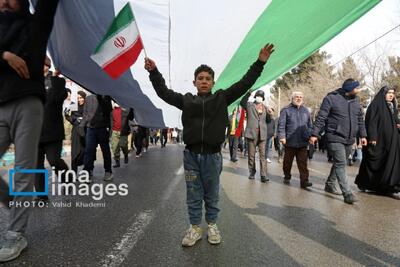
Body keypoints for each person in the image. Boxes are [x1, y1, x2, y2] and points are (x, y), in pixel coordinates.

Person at [144, 43, 274, 247]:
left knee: (211, 194)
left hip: (212, 157)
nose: (204, 82)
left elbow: (244, 82)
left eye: (208, 79)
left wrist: (260, 63)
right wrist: (154, 72)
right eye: (200, 79)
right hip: (191, 157)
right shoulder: (186, 100)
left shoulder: (222, 98)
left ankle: (212, 226)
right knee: (194, 194)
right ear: (194, 82)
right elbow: (163, 93)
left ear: (213, 82)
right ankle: (195, 228)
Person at [0, 0, 59, 262]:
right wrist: (4, 55)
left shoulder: (37, 25)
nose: (4, 2)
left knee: (24, 171)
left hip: (28, 103)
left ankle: (16, 234)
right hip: (0, 105)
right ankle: (17, 203)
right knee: (21, 184)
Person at [310, 79, 367, 204]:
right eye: (356, 88)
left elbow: (360, 120)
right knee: (341, 163)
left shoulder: (356, 101)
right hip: (334, 136)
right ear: (350, 89)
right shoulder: (331, 98)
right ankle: (347, 193)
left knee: (340, 163)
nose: (358, 90)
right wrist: (315, 133)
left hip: (349, 138)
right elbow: (321, 117)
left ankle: (330, 184)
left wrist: (363, 135)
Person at [355, 86, 400, 198]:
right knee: (374, 162)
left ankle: (386, 186)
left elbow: (395, 120)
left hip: (391, 142)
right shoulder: (375, 105)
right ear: (383, 94)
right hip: (379, 142)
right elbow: (371, 122)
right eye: (389, 93)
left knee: (388, 163)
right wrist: (373, 137)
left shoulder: (392, 106)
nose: (391, 95)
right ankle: (367, 183)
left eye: (392, 93)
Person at [35, 58, 69, 200]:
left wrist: (55, 79)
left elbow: (58, 97)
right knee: (37, 166)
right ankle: (41, 195)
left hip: (53, 131)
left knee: (54, 160)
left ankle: (67, 178)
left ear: (47, 66)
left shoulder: (58, 82)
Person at [278, 91, 313, 189]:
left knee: (303, 163)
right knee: (287, 162)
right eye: (297, 97)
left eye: (301, 97)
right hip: (290, 141)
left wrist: (310, 135)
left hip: (303, 141)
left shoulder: (306, 110)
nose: (299, 98)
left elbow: (310, 125)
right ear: (292, 98)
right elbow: (281, 125)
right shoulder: (286, 110)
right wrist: (282, 136)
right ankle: (287, 176)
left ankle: (304, 181)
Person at [240, 89, 272, 182]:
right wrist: (248, 93)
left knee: (263, 155)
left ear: (263, 98)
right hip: (251, 134)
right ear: (255, 97)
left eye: (261, 97)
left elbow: (268, 121)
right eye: (258, 96)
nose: (259, 98)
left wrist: (270, 115)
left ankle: (263, 175)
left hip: (262, 135)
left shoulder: (265, 108)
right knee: (251, 155)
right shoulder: (250, 105)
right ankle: (252, 172)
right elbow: (242, 102)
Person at [80, 94, 113, 181]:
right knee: (89, 151)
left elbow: (108, 111)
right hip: (91, 128)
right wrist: (82, 125)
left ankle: (108, 171)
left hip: (103, 128)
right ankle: (88, 171)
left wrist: (110, 129)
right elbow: (85, 114)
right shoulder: (88, 98)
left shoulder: (106, 97)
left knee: (105, 151)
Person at [65, 90, 87, 173]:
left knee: (85, 151)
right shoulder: (73, 105)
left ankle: (87, 171)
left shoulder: (87, 106)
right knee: (75, 152)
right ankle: (74, 172)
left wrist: (83, 119)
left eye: (81, 98)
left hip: (85, 131)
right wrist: (74, 120)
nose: (79, 100)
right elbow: (67, 115)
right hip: (76, 131)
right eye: (77, 98)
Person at [110, 103, 134, 167]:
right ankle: (117, 161)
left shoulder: (125, 110)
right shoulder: (112, 111)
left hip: (123, 132)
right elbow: (111, 122)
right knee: (115, 147)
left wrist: (131, 108)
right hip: (114, 131)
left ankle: (126, 154)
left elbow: (131, 118)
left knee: (123, 145)